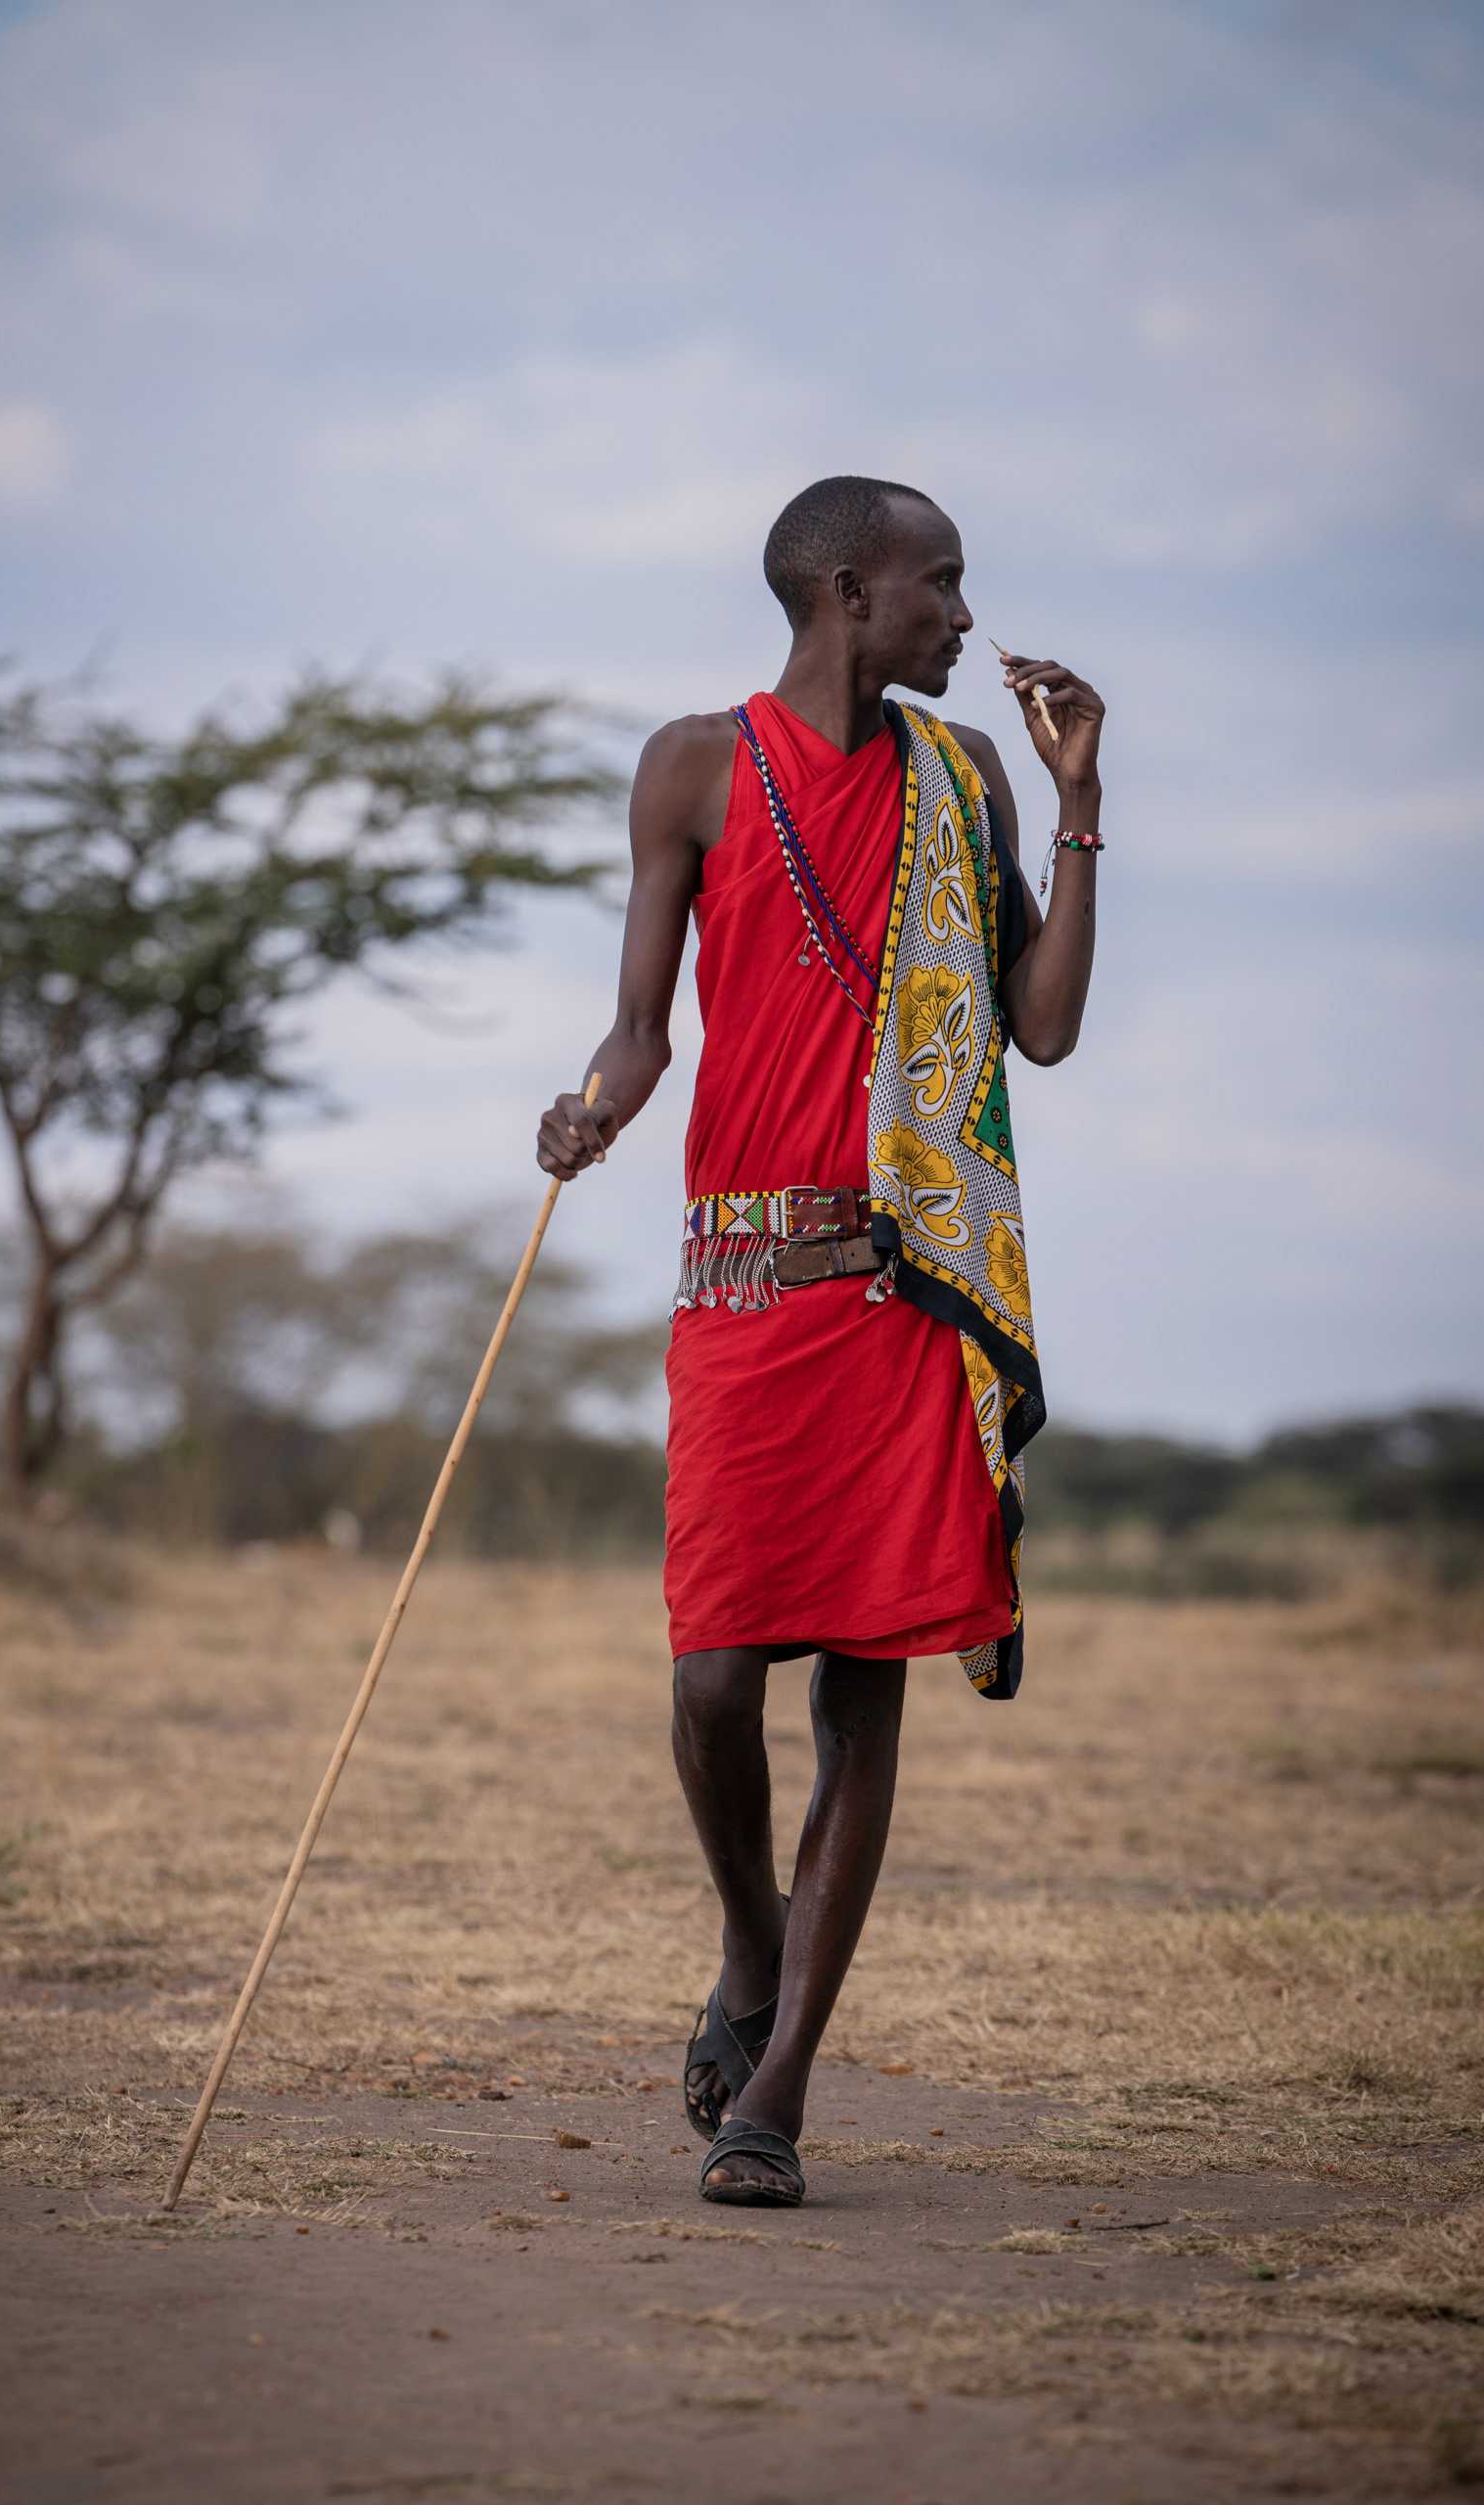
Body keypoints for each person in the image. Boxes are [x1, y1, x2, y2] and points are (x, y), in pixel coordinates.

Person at [536, 477, 1104, 2206]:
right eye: (940, 586)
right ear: (846, 592)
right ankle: (748, 1941)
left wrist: (1080, 811)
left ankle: (777, 2093)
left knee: (862, 1699)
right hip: (738, 1292)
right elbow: (640, 1033)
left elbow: (1044, 1029)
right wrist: (586, 1112)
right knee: (713, 1684)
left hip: (897, 1296)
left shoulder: (962, 778)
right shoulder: (692, 768)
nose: (963, 617)